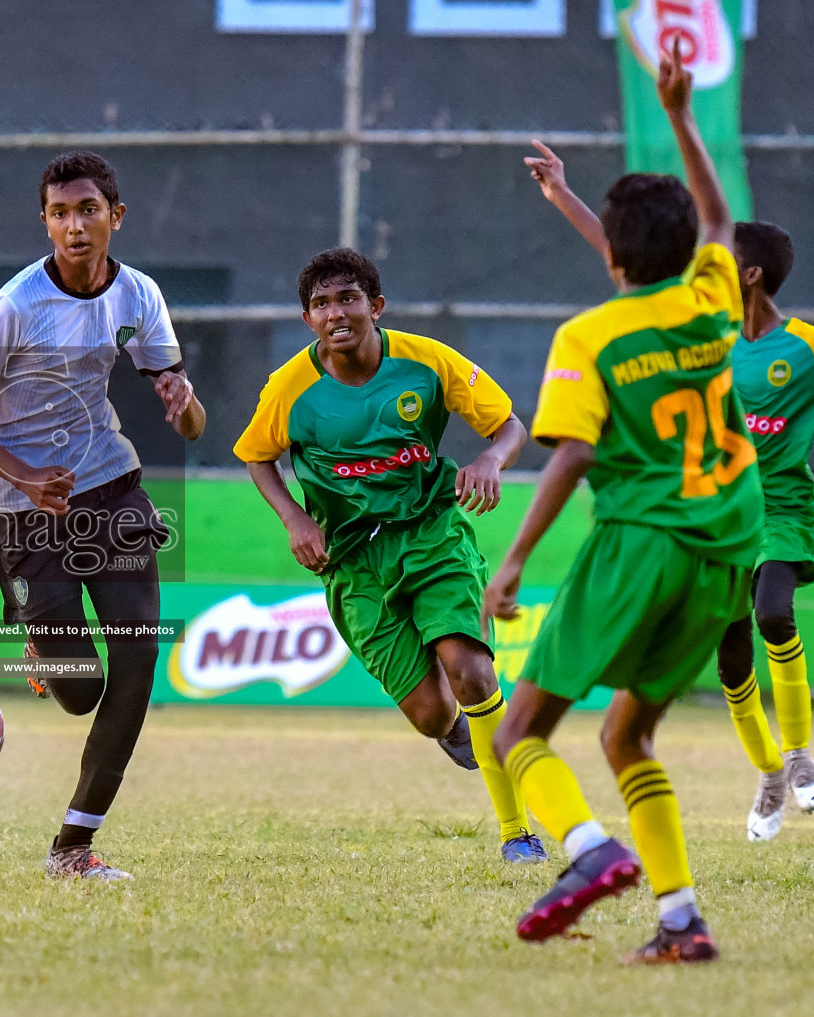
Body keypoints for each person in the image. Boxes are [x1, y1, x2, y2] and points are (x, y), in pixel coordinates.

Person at [484, 42, 761, 963]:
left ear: (617, 256)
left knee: (523, 728)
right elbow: (718, 216)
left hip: (643, 541)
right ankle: (684, 925)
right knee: (628, 735)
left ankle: (590, 851)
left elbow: (572, 454)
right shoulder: (714, 299)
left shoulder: (592, 334)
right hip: (729, 549)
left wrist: (517, 558)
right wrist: (680, 115)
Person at [522, 149, 814, 843]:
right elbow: (624, 255)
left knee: (774, 611)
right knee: (732, 658)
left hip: (779, 509)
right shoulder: (694, 317)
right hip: (713, 511)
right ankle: (770, 771)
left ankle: (801, 758)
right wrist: (564, 196)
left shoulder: (800, 344)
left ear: (744, 273)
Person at [0, 151, 206, 881]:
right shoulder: (16, 304)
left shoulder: (139, 296)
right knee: (80, 690)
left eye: (88, 210)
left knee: (140, 657)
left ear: (116, 217)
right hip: (16, 507)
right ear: (45, 222)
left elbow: (188, 416)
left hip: (110, 490)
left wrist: (185, 406)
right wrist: (25, 477)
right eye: (59, 213)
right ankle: (42, 650)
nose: (74, 226)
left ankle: (72, 848)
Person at [234, 247, 542, 863]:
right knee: (431, 713)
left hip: (432, 534)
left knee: (472, 670)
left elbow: (509, 425)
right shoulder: (290, 388)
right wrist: (295, 517)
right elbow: (255, 455)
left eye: (347, 298)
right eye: (320, 304)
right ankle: (455, 729)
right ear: (308, 320)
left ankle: (518, 832)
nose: (335, 312)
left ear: (375, 307)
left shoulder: (427, 361)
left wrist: (488, 460)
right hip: (351, 561)